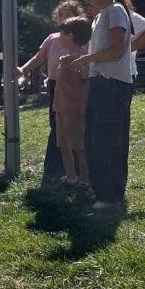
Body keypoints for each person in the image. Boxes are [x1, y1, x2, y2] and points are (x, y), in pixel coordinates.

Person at [64, 0, 134, 211]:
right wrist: (82, 62)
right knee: (94, 140)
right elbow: (102, 52)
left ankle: (110, 195)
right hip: (100, 83)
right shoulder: (100, 16)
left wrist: (86, 60)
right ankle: (101, 190)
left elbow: (116, 50)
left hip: (113, 85)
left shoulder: (115, 11)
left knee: (108, 140)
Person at [15, 0, 85, 180]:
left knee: (75, 126)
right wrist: (23, 69)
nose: (63, 18)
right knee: (56, 125)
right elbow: (39, 57)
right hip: (55, 84)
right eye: (61, 15)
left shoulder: (83, 39)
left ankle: (79, 171)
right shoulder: (53, 38)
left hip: (75, 85)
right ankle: (55, 167)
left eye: (68, 14)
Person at [53, 16, 92, 185]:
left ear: (71, 35)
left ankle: (85, 179)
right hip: (60, 106)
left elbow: (86, 85)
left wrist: (83, 110)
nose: (59, 37)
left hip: (75, 108)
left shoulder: (83, 58)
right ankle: (71, 177)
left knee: (78, 146)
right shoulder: (65, 57)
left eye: (62, 34)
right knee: (62, 143)